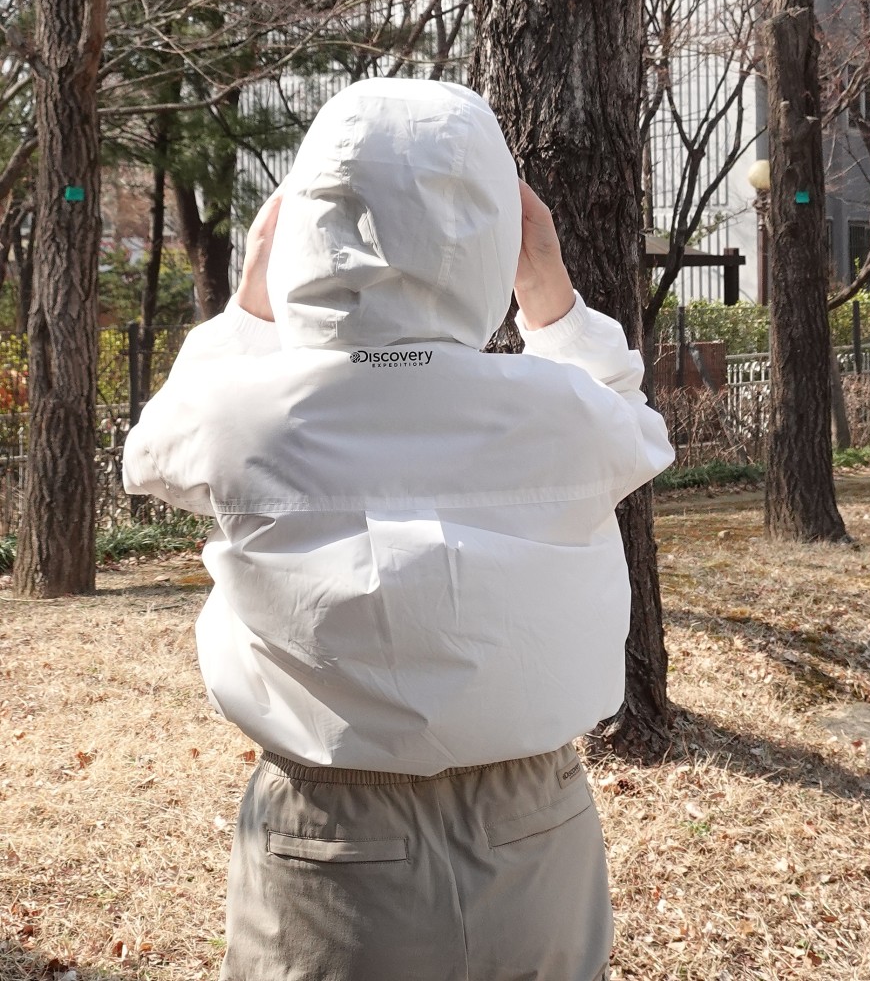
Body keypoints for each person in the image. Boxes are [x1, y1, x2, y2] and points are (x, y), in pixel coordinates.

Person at [123, 78, 674, 981]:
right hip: (535, 818)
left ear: (302, 227)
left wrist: (252, 311)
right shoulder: (558, 410)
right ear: (498, 227)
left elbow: (151, 450)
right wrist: (550, 294)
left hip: (325, 832)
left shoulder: (244, 417)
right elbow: (634, 429)